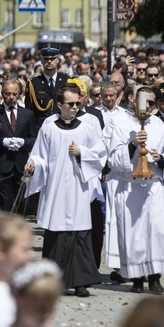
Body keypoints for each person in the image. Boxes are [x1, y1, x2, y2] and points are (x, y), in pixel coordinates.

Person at [26, 85, 106, 297]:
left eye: (77, 104)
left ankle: (81, 282)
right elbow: (40, 154)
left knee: (80, 233)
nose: (75, 107)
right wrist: (33, 163)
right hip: (56, 189)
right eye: (70, 104)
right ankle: (54, 281)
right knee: (57, 233)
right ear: (59, 105)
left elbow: (100, 155)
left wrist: (83, 152)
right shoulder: (49, 126)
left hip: (79, 190)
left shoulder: (86, 128)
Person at [107, 86, 164, 294]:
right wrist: (131, 145)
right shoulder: (120, 124)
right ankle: (137, 279)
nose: (147, 106)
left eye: (151, 103)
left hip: (153, 186)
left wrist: (162, 159)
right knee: (133, 235)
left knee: (155, 232)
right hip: (130, 186)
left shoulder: (159, 126)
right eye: (144, 102)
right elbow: (112, 158)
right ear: (133, 101)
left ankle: (155, 277)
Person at [0, 79, 37, 211]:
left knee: (22, 202)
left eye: (14, 94)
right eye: (7, 94)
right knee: (5, 203)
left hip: (21, 164)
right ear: (2, 94)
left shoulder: (27, 114)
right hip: (3, 164)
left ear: (19, 94)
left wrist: (23, 142)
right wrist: (3, 141)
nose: (11, 97)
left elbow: (34, 138)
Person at [24, 46, 68, 126]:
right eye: (46, 59)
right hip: (41, 128)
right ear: (41, 60)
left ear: (58, 60)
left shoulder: (66, 81)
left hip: (62, 127)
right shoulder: (34, 84)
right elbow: (29, 112)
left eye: (52, 59)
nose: (49, 61)